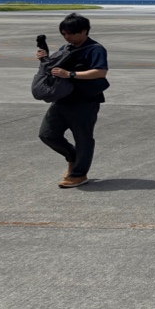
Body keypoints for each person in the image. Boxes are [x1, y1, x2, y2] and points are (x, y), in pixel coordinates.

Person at [36, 13, 109, 188]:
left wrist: (70, 74)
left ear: (84, 31)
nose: (67, 37)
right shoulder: (66, 48)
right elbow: (54, 68)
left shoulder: (95, 49)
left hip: (84, 101)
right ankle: (73, 157)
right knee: (47, 134)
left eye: (71, 33)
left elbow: (101, 72)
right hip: (62, 98)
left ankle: (79, 174)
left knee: (83, 138)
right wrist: (44, 59)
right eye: (64, 34)